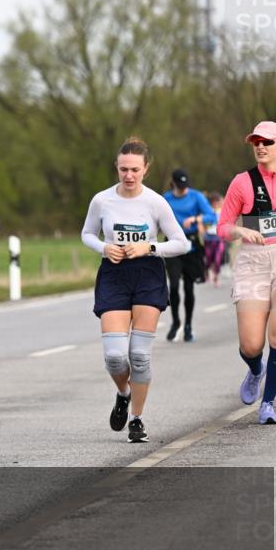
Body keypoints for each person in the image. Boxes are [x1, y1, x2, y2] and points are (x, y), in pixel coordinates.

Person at [81, 137, 190, 443]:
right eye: (123, 169)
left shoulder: (156, 202)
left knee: (139, 356)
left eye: (135, 170)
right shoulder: (102, 201)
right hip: (114, 275)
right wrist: (104, 247)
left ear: (146, 169)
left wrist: (150, 246)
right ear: (116, 168)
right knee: (115, 357)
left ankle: (137, 420)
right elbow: (87, 233)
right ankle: (123, 392)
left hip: (148, 275)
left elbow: (182, 243)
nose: (129, 175)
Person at [216, 120, 276, 425]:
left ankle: (268, 403)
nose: (260, 147)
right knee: (251, 344)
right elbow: (222, 226)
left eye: (267, 142)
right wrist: (240, 232)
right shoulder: (242, 182)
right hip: (253, 263)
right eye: (256, 142)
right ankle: (256, 370)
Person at [162, 168, 216, 342]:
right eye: (180, 186)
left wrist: (195, 219)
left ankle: (188, 326)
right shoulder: (165, 199)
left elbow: (211, 216)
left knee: (189, 287)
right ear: (173, 183)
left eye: (185, 185)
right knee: (174, 285)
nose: (183, 189)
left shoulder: (196, 196)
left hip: (192, 246)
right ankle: (176, 321)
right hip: (172, 245)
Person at [204, 191, 226, 287]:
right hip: (209, 238)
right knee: (209, 259)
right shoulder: (207, 212)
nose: (216, 204)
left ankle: (216, 277)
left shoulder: (222, 212)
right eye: (214, 202)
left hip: (219, 238)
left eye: (217, 202)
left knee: (217, 259)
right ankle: (207, 272)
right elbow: (202, 224)